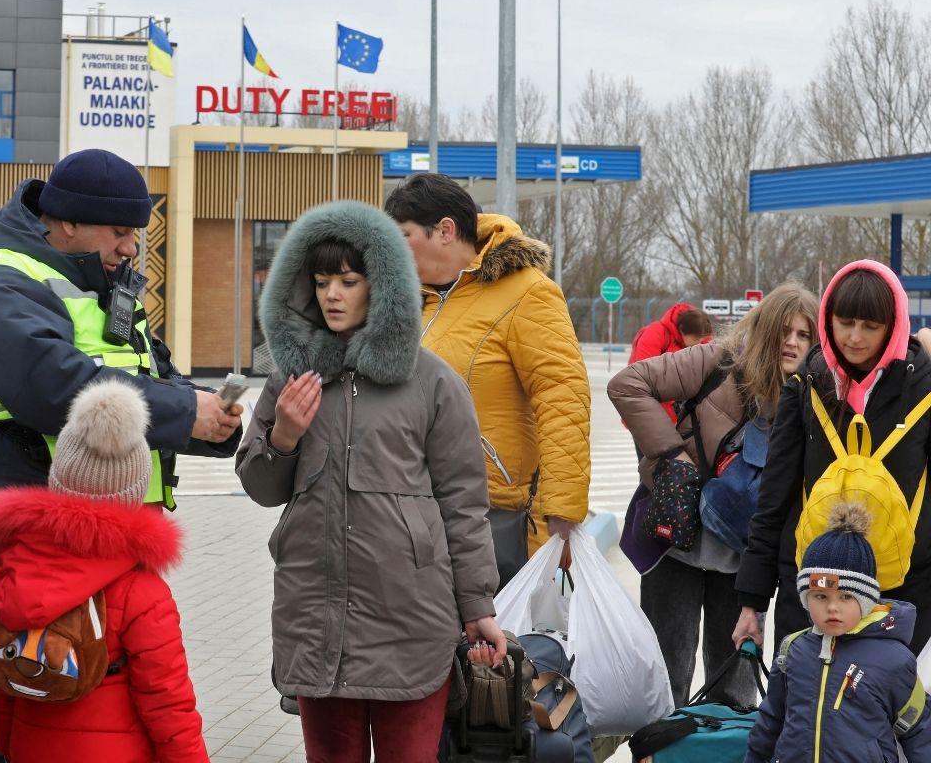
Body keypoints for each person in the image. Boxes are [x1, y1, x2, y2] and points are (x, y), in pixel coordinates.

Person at [0, 149, 243, 763]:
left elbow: (151, 379)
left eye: (137, 233)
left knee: (97, 729)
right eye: (121, 231)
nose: (133, 247)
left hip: (99, 557)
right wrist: (186, 411)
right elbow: (54, 385)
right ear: (69, 221)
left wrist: (213, 421)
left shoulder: (100, 287)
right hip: (18, 559)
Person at [236, 200, 504, 762]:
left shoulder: (434, 382)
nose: (332, 294)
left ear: (381, 285)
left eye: (349, 280)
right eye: (322, 280)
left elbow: (463, 503)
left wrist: (478, 606)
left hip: (410, 618)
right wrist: (283, 434)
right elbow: (261, 488)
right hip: (315, 613)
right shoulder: (290, 376)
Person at [0, 380, 208, 762]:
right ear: (135, 491)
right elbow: (168, 702)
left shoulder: (14, 564)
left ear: (58, 476)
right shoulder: (141, 591)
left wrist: (9, 746)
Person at [608, 282, 818, 707]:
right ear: (765, 328)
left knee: (734, 694)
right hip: (677, 546)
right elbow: (627, 384)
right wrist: (672, 456)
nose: (792, 343)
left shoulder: (814, 393)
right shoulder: (719, 361)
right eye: (784, 331)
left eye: (804, 334)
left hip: (744, 562)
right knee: (665, 684)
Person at [385, 173, 590, 557]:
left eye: (403, 236)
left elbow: (562, 397)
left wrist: (561, 509)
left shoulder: (527, 291)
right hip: (412, 507)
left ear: (444, 230)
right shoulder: (412, 302)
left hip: (492, 514)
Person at [735, 260, 931, 655]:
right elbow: (775, 498)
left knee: (883, 712)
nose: (855, 338)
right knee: (803, 706)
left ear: (893, 326)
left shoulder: (922, 388)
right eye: (845, 323)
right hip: (814, 589)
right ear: (828, 319)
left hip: (902, 593)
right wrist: (752, 602)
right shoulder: (806, 385)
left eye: (871, 327)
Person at [745, 502, 931, 762]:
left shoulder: (894, 660)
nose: (832, 607)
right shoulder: (793, 650)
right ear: (805, 599)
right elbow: (772, 718)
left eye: (846, 596)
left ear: (866, 600)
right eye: (820, 596)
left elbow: (919, 729)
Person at [628, 304, 712, 425]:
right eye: (696, 339)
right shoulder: (655, 333)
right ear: (682, 330)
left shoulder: (699, 328)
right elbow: (644, 377)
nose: (699, 343)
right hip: (646, 407)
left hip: (677, 408)